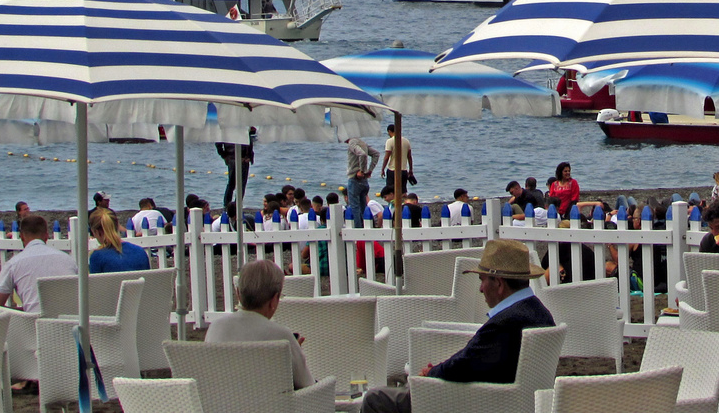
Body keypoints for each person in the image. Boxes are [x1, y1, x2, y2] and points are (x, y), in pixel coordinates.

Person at [359, 240, 553, 413]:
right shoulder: (541, 313)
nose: (480, 288)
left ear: (499, 284)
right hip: (509, 400)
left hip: (471, 401)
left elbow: (465, 365)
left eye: (482, 280)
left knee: (375, 399)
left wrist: (432, 373)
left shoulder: (505, 323)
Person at [205, 260, 313, 390]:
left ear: (238, 294)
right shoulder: (281, 335)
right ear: (274, 300)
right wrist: (296, 352)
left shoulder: (216, 328)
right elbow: (307, 385)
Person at [0, 213, 77, 314]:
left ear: (22, 237)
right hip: (70, 323)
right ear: (46, 236)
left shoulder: (14, 264)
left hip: (33, 326)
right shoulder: (68, 260)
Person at [217, 129, 256, 212]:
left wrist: (249, 156)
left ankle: (233, 204)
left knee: (238, 184)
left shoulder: (229, 129)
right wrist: (225, 156)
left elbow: (251, 137)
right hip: (235, 158)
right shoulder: (228, 129)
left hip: (240, 158)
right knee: (235, 183)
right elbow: (219, 143)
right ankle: (230, 204)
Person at [345, 135, 380, 226]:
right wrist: (370, 170)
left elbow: (362, 154)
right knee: (363, 207)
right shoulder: (362, 143)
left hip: (354, 178)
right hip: (364, 181)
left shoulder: (352, 142)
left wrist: (362, 170)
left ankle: (358, 230)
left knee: (355, 207)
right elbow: (376, 154)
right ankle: (366, 226)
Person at [380, 123, 414, 189]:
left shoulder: (389, 141)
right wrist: (410, 169)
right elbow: (409, 157)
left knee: (391, 191)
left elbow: (387, 157)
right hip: (404, 170)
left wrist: (382, 169)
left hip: (393, 170)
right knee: (403, 191)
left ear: (389, 131)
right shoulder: (406, 141)